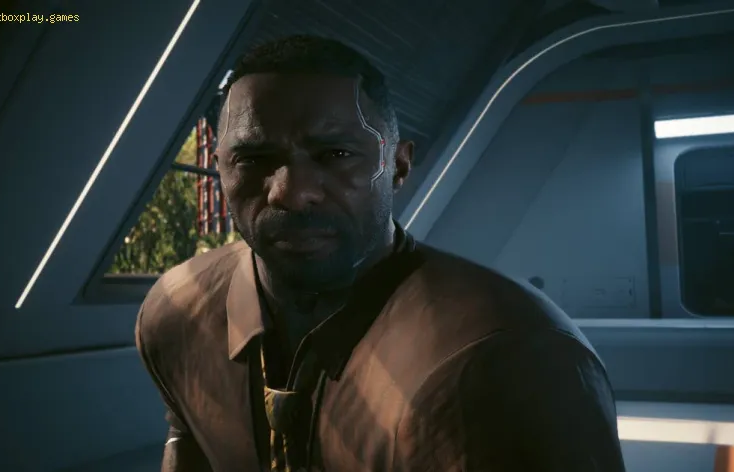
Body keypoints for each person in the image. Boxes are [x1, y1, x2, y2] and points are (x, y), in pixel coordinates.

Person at [135, 34, 626, 472]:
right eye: (254, 159)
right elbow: (188, 439)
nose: (292, 193)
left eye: (335, 154)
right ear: (220, 168)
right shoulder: (175, 313)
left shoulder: (513, 358)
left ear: (399, 165)